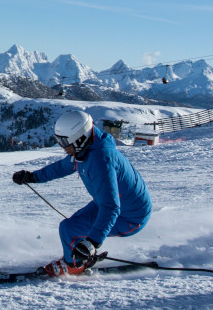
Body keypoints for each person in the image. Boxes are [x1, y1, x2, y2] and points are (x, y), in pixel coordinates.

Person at [13, 109, 152, 277]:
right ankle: (79, 257)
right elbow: (62, 167)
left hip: (130, 217)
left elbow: (111, 207)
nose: (62, 147)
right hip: (109, 204)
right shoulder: (85, 148)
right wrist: (32, 177)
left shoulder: (101, 160)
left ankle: (74, 265)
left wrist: (92, 242)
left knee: (69, 230)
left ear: (79, 138)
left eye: (65, 141)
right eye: (59, 141)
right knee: (70, 228)